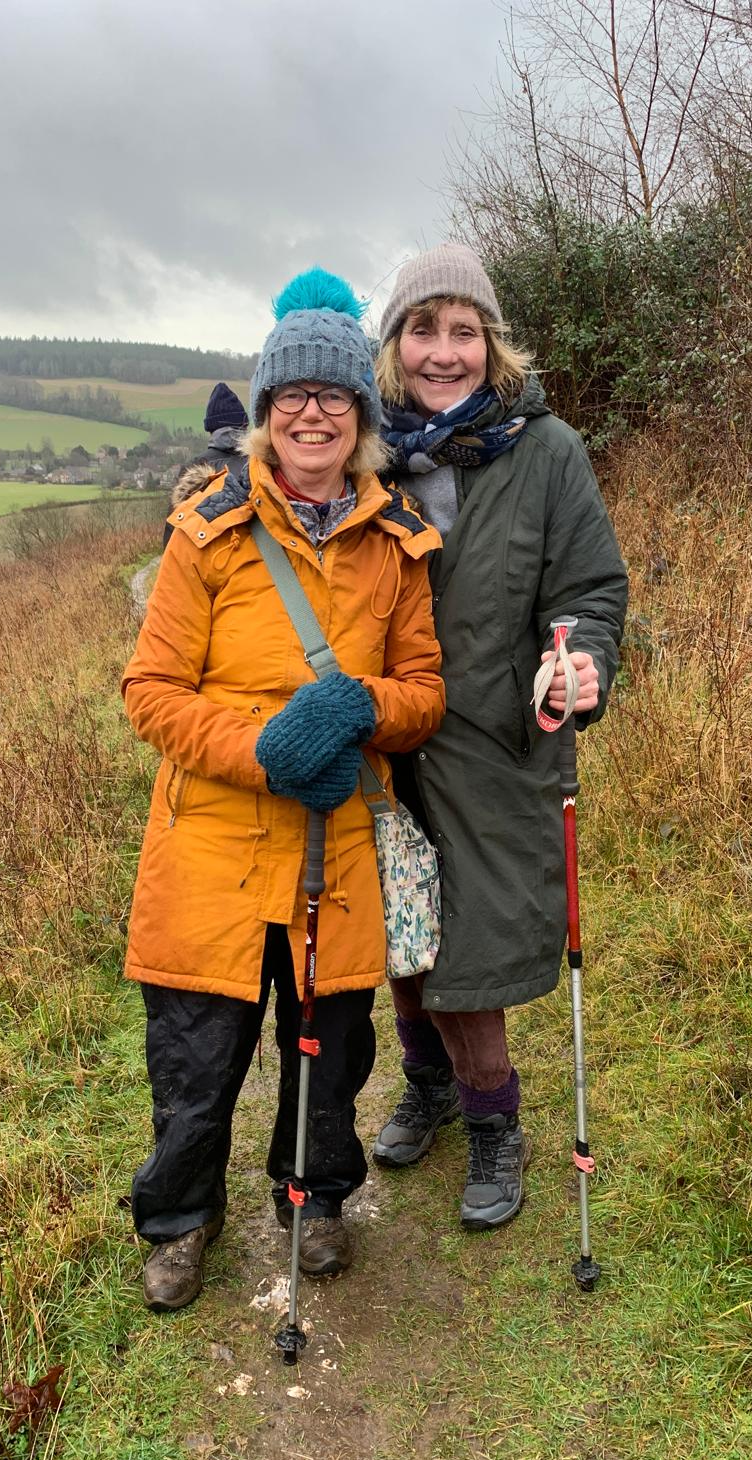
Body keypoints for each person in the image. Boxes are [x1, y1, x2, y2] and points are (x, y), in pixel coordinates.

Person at [122, 268, 446, 1312]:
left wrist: (362, 706)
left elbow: (424, 693)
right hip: (210, 845)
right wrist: (265, 747)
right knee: (195, 1058)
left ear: (361, 416)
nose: (314, 413)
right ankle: (180, 1221)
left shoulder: (396, 544)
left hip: (335, 843)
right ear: (266, 412)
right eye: (294, 395)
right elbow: (151, 693)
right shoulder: (204, 534)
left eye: (335, 395)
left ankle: (314, 1199)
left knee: (330, 1049)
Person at [371, 242, 629, 1231]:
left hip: (497, 746)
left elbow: (588, 589)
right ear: (394, 346)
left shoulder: (547, 451)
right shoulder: (364, 454)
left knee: (469, 946)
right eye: (423, 329)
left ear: (491, 343)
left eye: (464, 330)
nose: (445, 351)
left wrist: (581, 662)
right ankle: (428, 1085)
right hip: (386, 744)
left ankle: (493, 1120)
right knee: (402, 934)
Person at [162, 383, 249, 550]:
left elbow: (173, 532)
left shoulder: (193, 468)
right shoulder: (260, 466)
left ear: (211, 430)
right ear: (244, 426)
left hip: (203, 559)